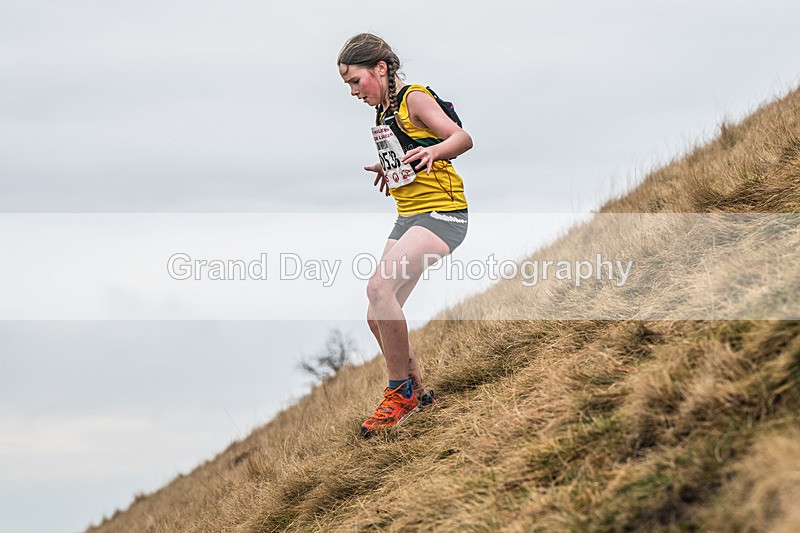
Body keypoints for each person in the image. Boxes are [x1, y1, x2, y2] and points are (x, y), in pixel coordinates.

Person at [337, 33, 474, 436]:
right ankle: (417, 389)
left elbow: (461, 138)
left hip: (443, 214)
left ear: (380, 68)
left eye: (355, 81)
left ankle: (399, 394)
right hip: (409, 214)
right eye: (347, 85)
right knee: (375, 310)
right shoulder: (384, 112)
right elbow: (413, 151)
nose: (353, 92)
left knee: (381, 288)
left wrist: (436, 151)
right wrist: (392, 169)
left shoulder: (413, 97)